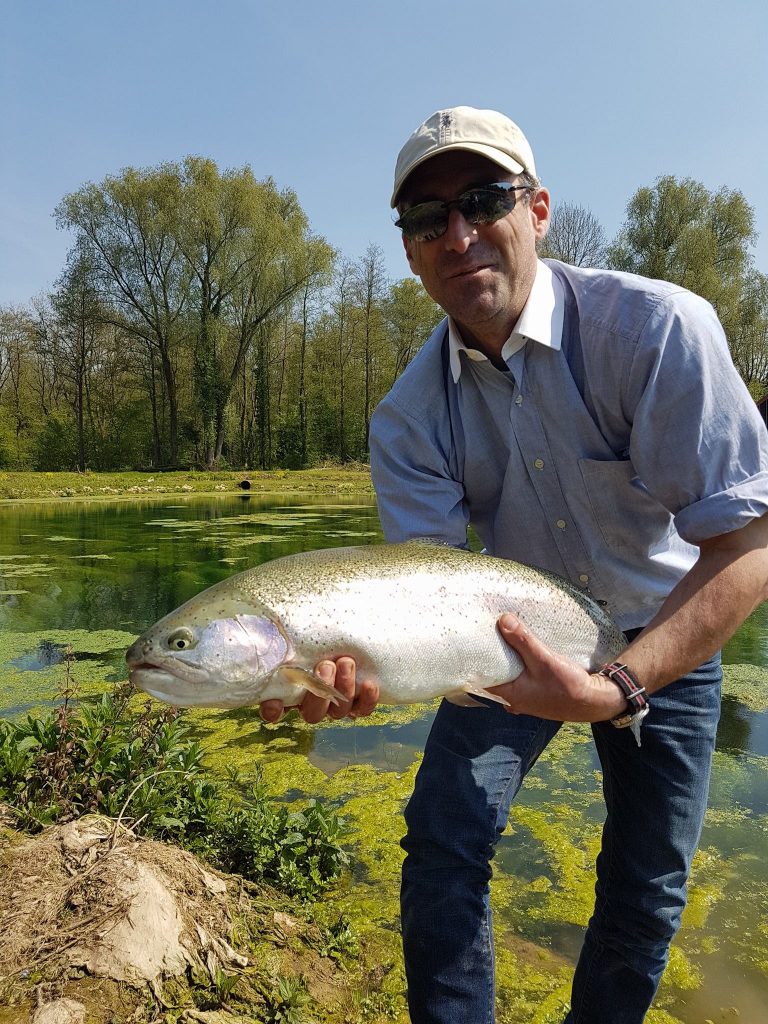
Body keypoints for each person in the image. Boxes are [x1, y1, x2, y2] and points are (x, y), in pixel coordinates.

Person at [259, 106, 768, 1023]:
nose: (457, 235)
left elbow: (747, 545)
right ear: (411, 253)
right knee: (445, 841)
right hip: (503, 644)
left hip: (663, 630)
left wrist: (617, 685)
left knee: (646, 882)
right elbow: (422, 594)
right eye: (426, 220)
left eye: (482, 200)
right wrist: (342, 668)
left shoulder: (655, 332)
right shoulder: (407, 420)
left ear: (536, 211)